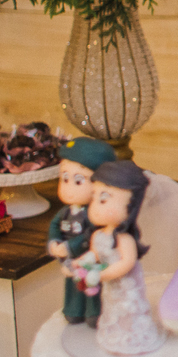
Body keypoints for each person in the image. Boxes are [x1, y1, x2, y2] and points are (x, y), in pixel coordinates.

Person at [83, 159, 166, 356]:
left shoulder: (124, 239)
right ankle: (114, 335)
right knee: (112, 308)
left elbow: (126, 263)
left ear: (131, 206)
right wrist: (80, 263)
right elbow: (94, 254)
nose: (94, 206)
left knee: (128, 311)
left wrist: (101, 275)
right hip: (111, 286)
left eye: (104, 199)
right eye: (94, 197)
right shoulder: (98, 235)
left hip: (126, 285)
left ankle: (132, 337)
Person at [47, 136, 116, 326]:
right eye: (64, 178)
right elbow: (54, 226)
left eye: (78, 181)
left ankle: (94, 313)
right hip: (70, 259)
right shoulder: (65, 212)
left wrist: (69, 246)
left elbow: (92, 235)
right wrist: (54, 242)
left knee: (92, 284)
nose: (68, 188)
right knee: (73, 285)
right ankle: (73, 310)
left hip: (89, 258)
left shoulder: (95, 214)